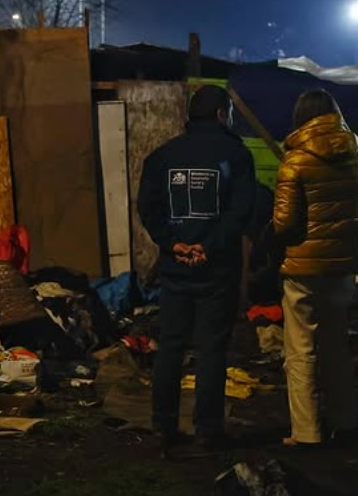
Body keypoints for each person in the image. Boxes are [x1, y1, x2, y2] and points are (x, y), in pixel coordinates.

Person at [137, 85, 256, 454]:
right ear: (221, 114)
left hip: (175, 269)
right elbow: (241, 211)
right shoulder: (236, 155)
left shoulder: (162, 156)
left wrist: (172, 243)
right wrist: (210, 245)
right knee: (211, 349)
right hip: (217, 269)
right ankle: (207, 430)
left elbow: (148, 207)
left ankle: (163, 426)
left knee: (170, 346)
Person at [273, 89, 358, 446]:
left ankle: (307, 432)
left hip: (302, 269)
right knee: (336, 346)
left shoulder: (295, 160)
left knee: (301, 349)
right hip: (342, 266)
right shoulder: (357, 154)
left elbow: (284, 224)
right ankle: (345, 421)